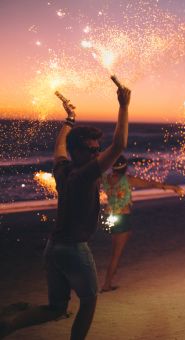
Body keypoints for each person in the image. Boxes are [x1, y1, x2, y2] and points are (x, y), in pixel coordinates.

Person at [0, 81, 131, 340]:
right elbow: (118, 146)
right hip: (73, 249)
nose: (96, 153)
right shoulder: (84, 175)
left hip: (54, 248)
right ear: (77, 152)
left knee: (56, 308)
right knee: (89, 300)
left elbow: (59, 147)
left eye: (97, 149)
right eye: (90, 149)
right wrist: (124, 106)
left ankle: (7, 327)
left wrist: (69, 120)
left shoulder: (62, 169)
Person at [100, 155, 184, 292]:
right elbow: (151, 184)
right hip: (122, 217)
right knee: (116, 254)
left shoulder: (104, 179)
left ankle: (107, 282)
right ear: (125, 167)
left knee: (115, 248)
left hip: (108, 217)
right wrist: (172, 187)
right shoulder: (128, 180)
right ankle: (106, 285)